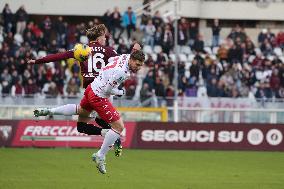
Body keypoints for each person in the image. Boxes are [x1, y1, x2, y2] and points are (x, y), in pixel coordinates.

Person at [27, 24, 141, 157]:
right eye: (104, 37)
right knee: (101, 120)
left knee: (83, 122)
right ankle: (112, 140)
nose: (106, 39)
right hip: (105, 89)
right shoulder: (108, 51)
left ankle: (51, 111)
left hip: (90, 88)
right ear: (99, 38)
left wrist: (37, 61)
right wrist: (133, 50)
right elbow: (125, 61)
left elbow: (59, 56)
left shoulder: (81, 49)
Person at [77, 50, 145, 174]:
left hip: (93, 86)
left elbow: (110, 61)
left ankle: (110, 139)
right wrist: (120, 92)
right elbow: (109, 89)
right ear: (131, 60)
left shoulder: (125, 56)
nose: (139, 68)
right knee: (119, 127)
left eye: (141, 65)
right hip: (99, 95)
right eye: (137, 64)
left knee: (89, 117)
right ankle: (101, 155)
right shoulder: (122, 72)